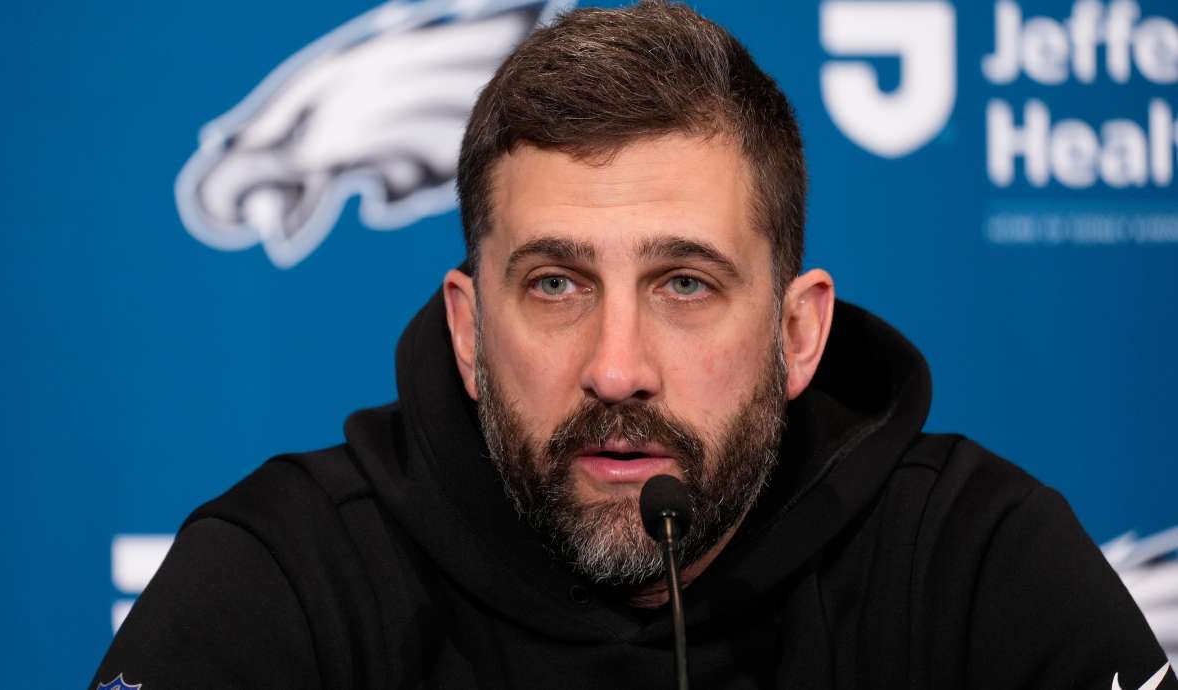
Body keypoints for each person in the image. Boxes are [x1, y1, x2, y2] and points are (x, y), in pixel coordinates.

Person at [90, 2, 1175, 688]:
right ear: (469, 331)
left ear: (798, 335)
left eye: (684, 285)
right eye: (557, 284)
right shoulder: (282, 577)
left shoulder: (975, 563)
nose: (616, 368)